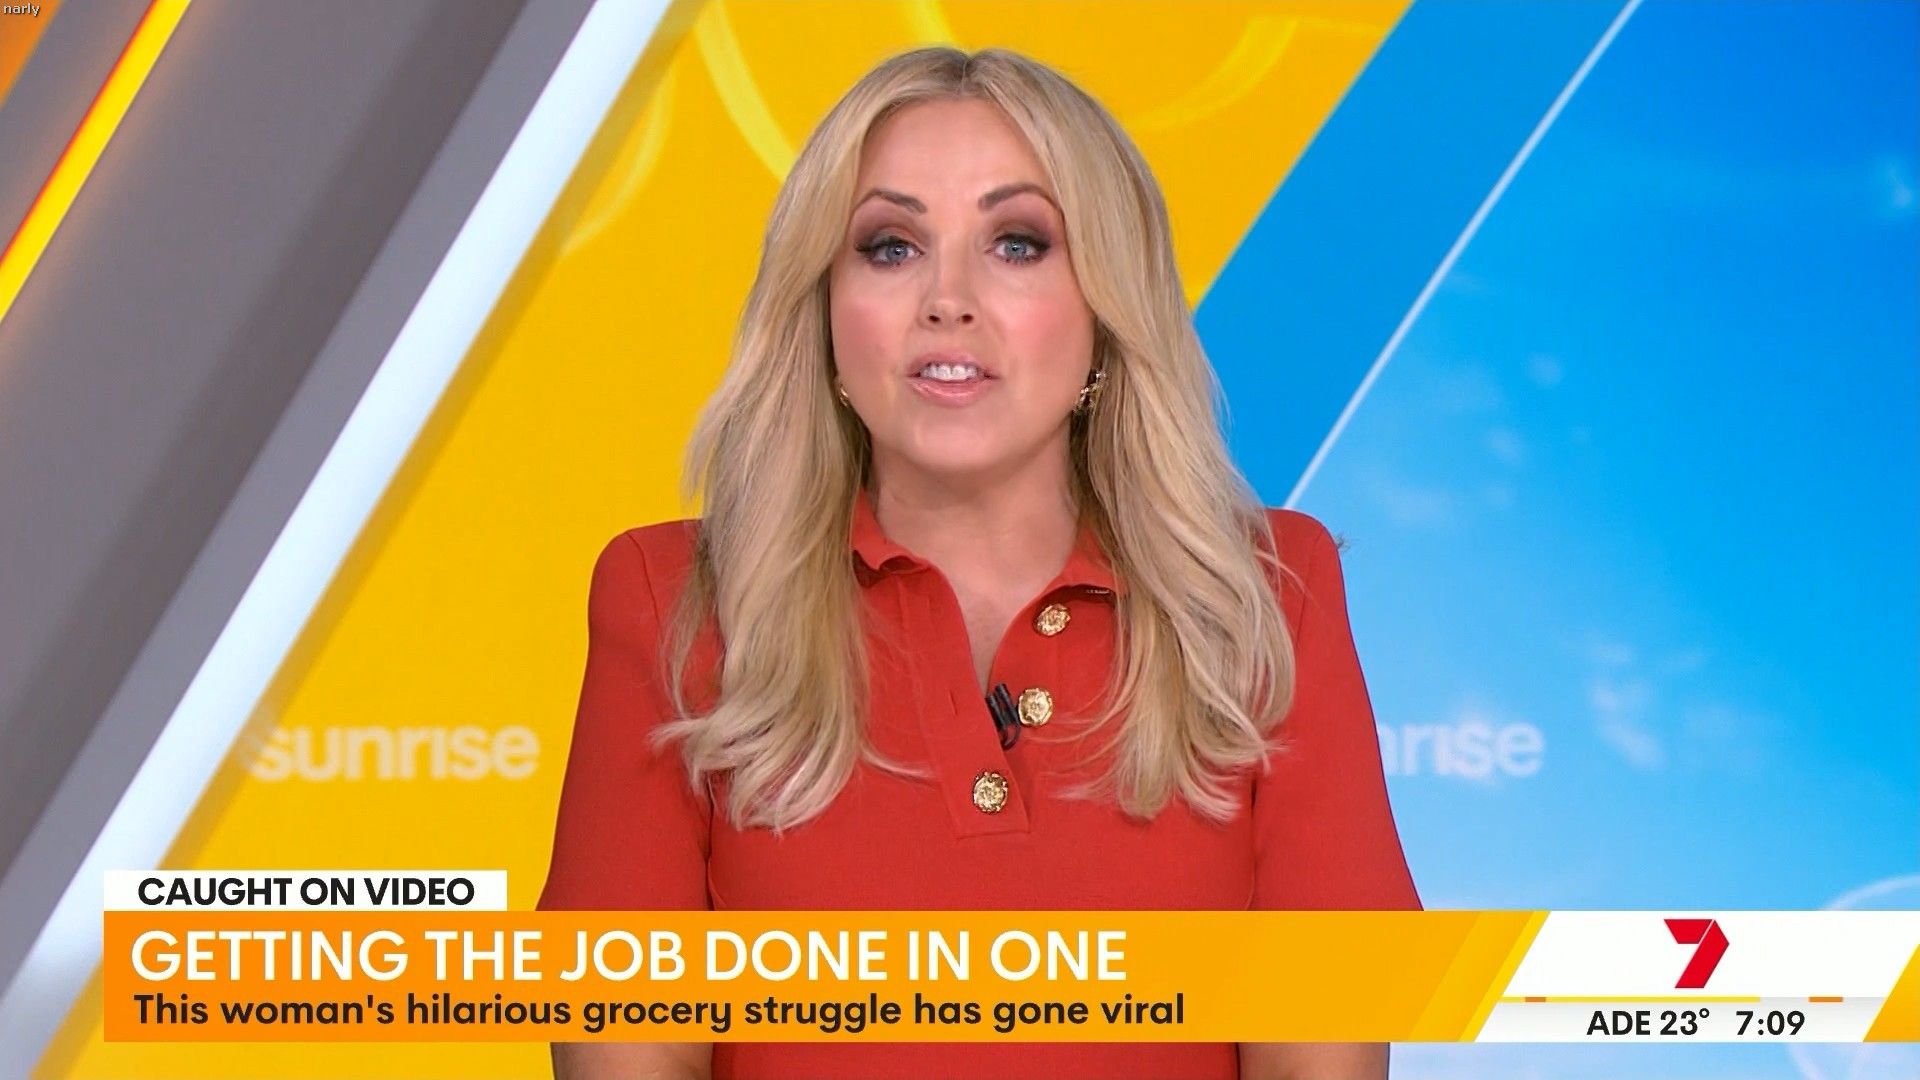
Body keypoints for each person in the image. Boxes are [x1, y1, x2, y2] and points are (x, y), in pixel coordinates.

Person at [537, 44, 1419, 1080]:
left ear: (1107, 304)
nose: (947, 299)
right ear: (824, 310)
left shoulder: (1266, 590)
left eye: (1016, 242)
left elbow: (1322, 1057)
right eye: (890, 246)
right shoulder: (671, 599)